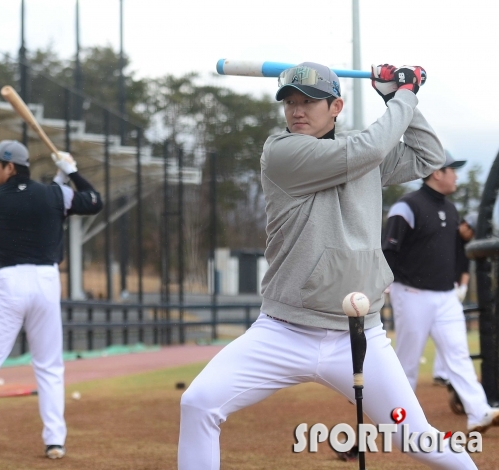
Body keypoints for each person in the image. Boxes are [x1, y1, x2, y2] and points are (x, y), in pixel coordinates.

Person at [178, 62, 478, 469]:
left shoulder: (362, 154)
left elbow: (427, 155)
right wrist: (405, 93)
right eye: (290, 103)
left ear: (336, 106)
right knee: (198, 403)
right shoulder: (282, 151)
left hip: (359, 336)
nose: (297, 111)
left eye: (309, 102)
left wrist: (397, 96)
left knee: (417, 438)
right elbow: (368, 148)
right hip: (283, 331)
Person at [0, 140, 102, 462]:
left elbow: (34, 198)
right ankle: (55, 442)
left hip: (10, 282)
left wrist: (59, 177)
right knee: (49, 366)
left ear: (10, 167)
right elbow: (93, 201)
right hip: (46, 282)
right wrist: (70, 173)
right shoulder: (54, 194)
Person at [383, 164, 499, 433]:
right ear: (437, 173)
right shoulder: (407, 206)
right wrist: (386, 282)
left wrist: (458, 284)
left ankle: (478, 412)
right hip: (412, 294)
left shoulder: (450, 209)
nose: (456, 175)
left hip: (446, 296)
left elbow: (456, 251)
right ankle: (397, 421)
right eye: (452, 170)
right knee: (407, 362)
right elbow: (388, 249)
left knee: (458, 356)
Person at [432, 211, 477, 386]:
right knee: (413, 341)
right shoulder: (447, 235)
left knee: (448, 333)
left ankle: (441, 373)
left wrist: (464, 287)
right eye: (471, 231)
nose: (472, 235)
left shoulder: (466, 244)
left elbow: (465, 270)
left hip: (452, 290)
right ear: (465, 224)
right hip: (435, 287)